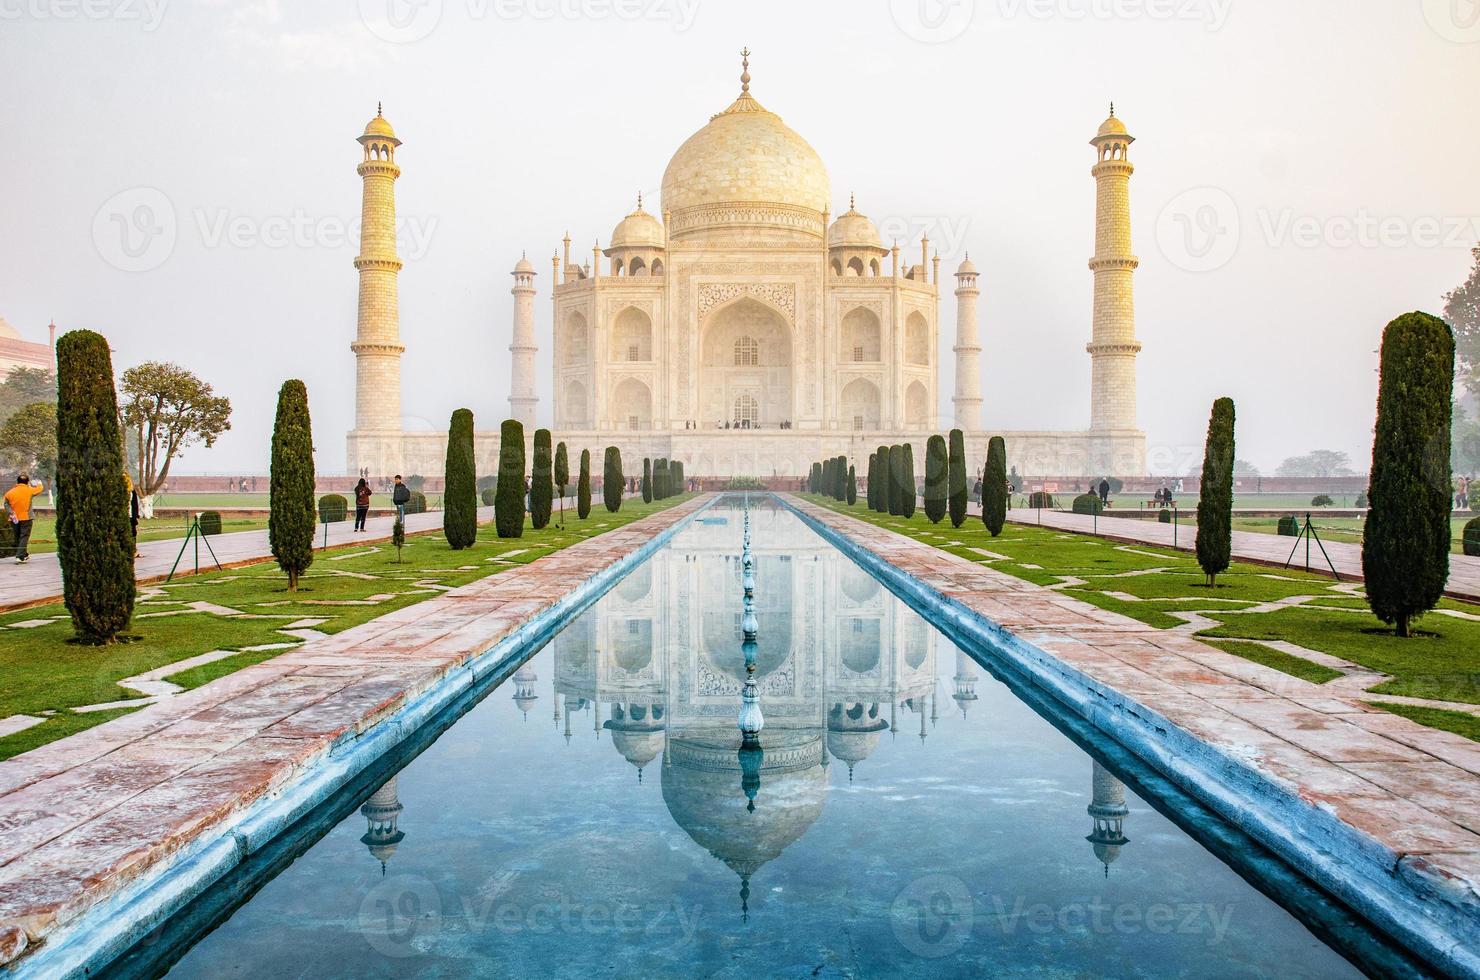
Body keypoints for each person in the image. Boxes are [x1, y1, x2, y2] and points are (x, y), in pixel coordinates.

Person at [5, 474, 45, 563]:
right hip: (26, 518)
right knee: (24, 537)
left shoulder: (10, 492)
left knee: (18, 536)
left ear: (17, 482)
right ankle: (19, 557)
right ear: (27, 482)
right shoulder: (29, 490)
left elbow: (6, 504)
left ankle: (24, 554)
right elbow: (40, 489)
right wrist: (39, 483)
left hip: (14, 519)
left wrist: (11, 512)